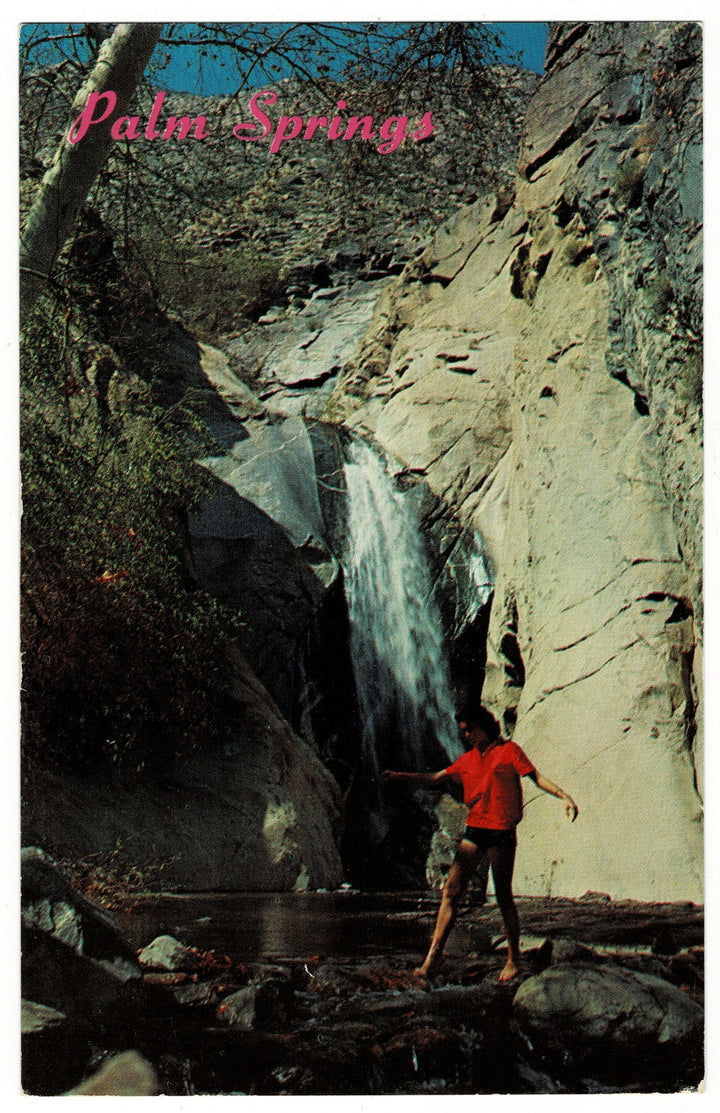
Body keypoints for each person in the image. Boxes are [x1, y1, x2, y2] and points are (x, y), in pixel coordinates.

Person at [381, 704, 578, 982]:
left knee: (503, 895)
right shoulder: (467, 760)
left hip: (501, 832)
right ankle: (432, 958)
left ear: (484, 725)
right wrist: (402, 777)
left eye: (470, 729)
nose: (467, 735)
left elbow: (536, 778)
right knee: (451, 889)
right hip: (475, 829)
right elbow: (436, 777)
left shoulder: (509, 750)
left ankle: (513, 959)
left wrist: (564, 796)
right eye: (463, 732)